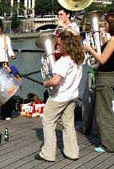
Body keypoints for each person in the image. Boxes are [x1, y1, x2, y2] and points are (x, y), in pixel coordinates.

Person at [35, 30, 84, 162]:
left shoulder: (64, 61)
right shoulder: (78, 60)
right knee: (68, 124)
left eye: (59, 44)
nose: (57, 47)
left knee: (48, 121)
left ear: (65, 45)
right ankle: (72, 152)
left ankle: (48, 154)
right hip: (73, 96)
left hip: (59, 97)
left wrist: (46, 83)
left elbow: (55, 81)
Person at [84, 12, 114, 153]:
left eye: (106, 23)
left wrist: (89, 49)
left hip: (105, 77)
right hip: (112, 75)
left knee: (103, 113)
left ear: (113, 24)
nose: (104, 25)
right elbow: (106, 54)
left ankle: (109, 145)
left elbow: (102, 59)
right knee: (109, 111)